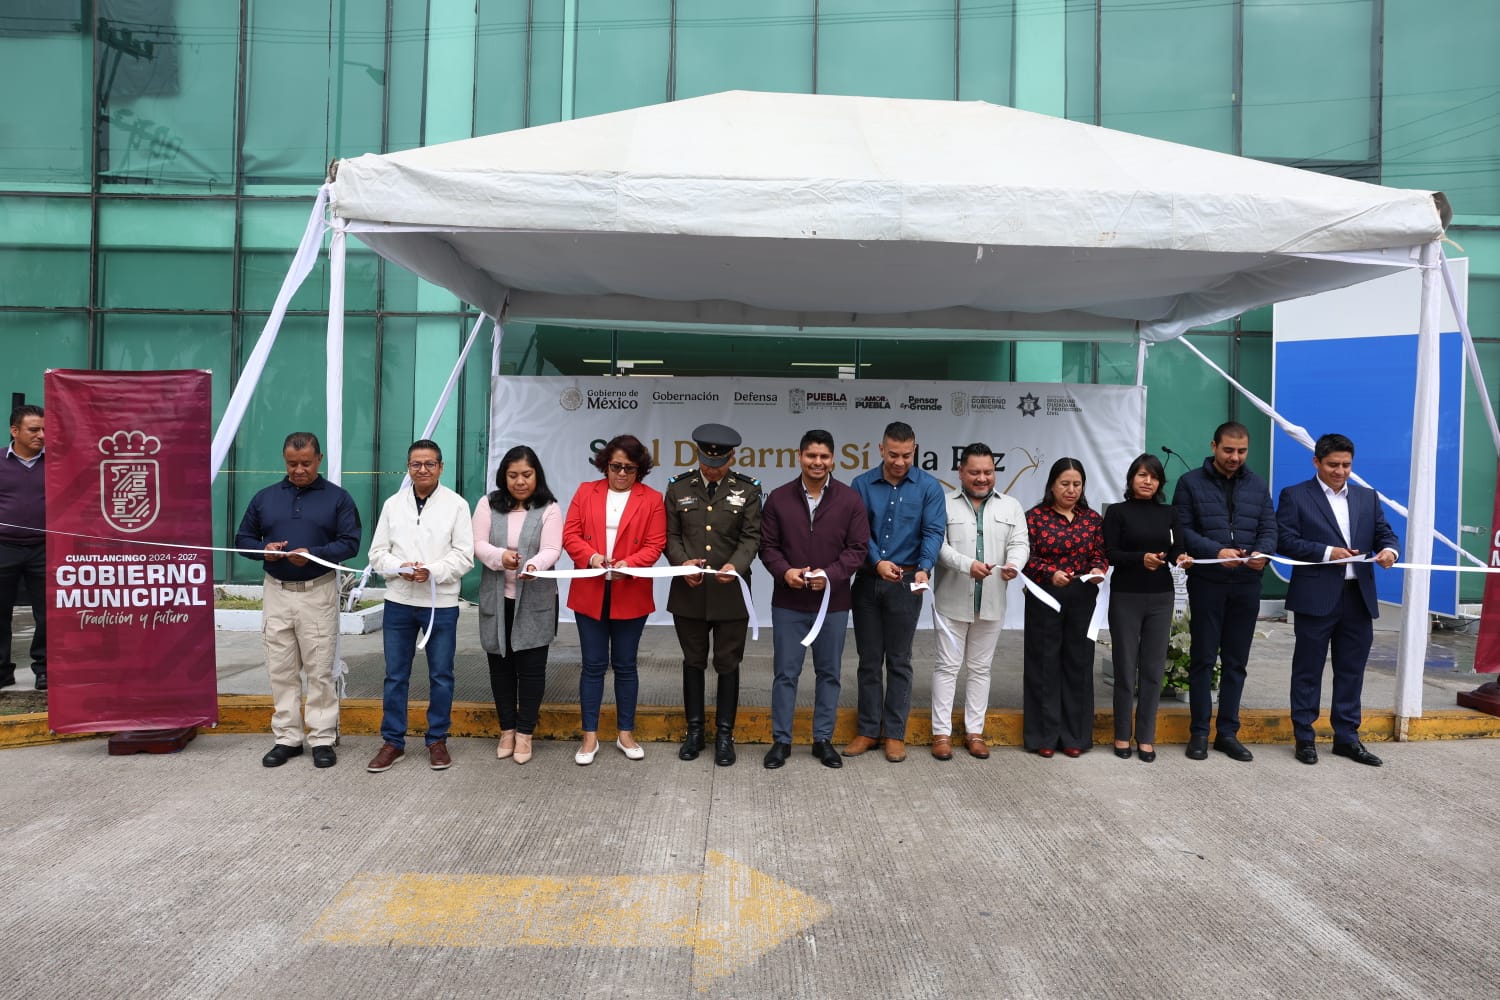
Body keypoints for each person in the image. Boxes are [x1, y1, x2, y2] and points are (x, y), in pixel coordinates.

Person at [235, 432, 362, 768]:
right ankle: (287, 738)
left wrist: (314, 554)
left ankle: (322, 738)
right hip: (276, 591)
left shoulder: (338, 498)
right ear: (284, 460)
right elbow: (243, 538)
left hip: (317, 591)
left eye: (306, 463)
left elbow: (350, 543)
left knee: (319, 669)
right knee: (281, 668)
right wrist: (264, 550)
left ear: (319, 459)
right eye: (292, 464)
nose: (299, 470)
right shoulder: (265, 498)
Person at [1277, 433, 1399, 768]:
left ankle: (1347, 738)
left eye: (1346, 465)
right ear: (1316, 462)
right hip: (1315, 596)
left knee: (1351, 671)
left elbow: (1384, 533)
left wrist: (1390, 550)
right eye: (1333, 464)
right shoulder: (1295, 495)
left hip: (1357, 597)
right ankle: (1305, 737)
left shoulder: (1366, 497)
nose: (1340, 471)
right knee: (1308, 670)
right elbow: (1283, 540)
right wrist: (1327, 552)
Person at [760, 429, 869, 770]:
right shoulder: (778, 499)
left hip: (832, 605)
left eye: (824, 456)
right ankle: (782, 740)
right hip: (788, 603)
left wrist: (831, 575)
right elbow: (767, 547)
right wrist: (785, 572)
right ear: (800, 457)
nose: (817, 462)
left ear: (833, 459)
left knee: (829, 673)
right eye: (811, 456)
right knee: (785, 673)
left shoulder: (850, 500)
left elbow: (857, 549)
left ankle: (823, 739)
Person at [365, 440, 474, 773]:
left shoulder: (456, 505)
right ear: (408, 468)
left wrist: (432, 571)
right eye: (416, 464)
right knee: (395, 675)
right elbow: (376, 554)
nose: (422, 470)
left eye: (429, 464)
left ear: (441, 467)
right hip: (399, 601)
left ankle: (437, 740)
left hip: (440, 603)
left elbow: (464, 556)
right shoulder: (393, 504)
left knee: (441, 675)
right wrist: (399, 567)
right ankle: (393, 742)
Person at [1171, 421, 1277, 762]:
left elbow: (1269, 528)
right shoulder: (1190, 483)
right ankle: (1199, 733)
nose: (1235, 457)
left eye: (1242, 451)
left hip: (1247, 584)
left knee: (1236, 663)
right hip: (1208, 583)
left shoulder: (1257, 485)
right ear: (1213, 446)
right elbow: (1182, 530)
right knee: (1203, 659)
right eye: (1228, 450)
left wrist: (1262, 553)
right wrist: (1215, 552)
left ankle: (1228, 733)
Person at [562, 434, 666, 766]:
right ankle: (589, 736)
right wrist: (592, 558)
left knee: (625, 665)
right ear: (605, 464)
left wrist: (629, 565)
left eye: (629, 468)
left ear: (640, 470)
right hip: (590, 589)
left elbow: (655, 544)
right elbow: (570, 535)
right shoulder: (585, 491)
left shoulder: (652, 499)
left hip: (630, 589)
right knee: (592, 665)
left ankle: (625, 733)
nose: (621, 473)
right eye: (616, 466)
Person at [846, 421, 946, 763]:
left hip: (907, 581)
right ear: (881, 449)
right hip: (868, 580)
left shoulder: (929, 487)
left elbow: (933, 531)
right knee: (869, 659)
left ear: (914, 450)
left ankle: (894, 734)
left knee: (900, 660)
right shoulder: (861, 485)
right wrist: (877, 563)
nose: (899, 461)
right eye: (893, 455)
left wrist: (925, 566)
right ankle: (867, 730)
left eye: (906, 455)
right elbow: (859, 534)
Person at [665, 423, 761, 767]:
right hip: (689, 592)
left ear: (731, 458)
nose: (711, 469)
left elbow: (751, 537)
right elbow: (670, 536)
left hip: (730, 592)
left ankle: (724, 735)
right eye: (706, 462)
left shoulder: (747, 490)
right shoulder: (678, 487)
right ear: (698, 455)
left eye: (718, 463)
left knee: (727, 663)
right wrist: (682, 563)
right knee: (693, 661)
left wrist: (736, 565)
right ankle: (694, 732)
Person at [930, 443, 1028, 761]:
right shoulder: (943, 504)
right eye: (974, 472)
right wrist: (966, 565)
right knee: (947, 667)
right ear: (961, 472)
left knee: (980, 669)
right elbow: (938, 546)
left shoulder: (1011, 506)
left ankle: (975, 732)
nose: (982, 478)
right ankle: (941, 734)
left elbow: (1020, 543)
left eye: (988, 472)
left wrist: (1014, 564)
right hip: (952, 600)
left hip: (992, 601)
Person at [472, 445, 561, 766]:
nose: (520, 482)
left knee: (532, 670)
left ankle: (525, 733)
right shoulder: (488, 504)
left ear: (537, 475)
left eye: (526, 475)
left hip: (535, 599)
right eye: (513, 475)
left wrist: (533, 565)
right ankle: (506, 730)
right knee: (501, 668)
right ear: (503, 477)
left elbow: (552, 548)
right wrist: (500, 556)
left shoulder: (550, 507)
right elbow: (477, 543)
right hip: (497, 600)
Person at [1103, 453, 1189, 764]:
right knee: (1125, 669)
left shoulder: (1169, 513)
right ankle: (1121, 734)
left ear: (1160, 483)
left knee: (1153, 671)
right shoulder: (1117, 512)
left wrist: (1182, 558)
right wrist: (1140, 559)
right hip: (1126, 596)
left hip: (1161, 596)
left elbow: (1177, 548)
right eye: (1142, 475)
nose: (1147, 481)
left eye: (1153, 477)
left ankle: (1146, 737)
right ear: (1131, 479)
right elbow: (1110, 553)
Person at [1022, 458, 1107, 757]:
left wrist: (1097, 568)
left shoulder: (1092, 519)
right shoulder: (1034, 518)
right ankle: (1043, 737)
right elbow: (1026, 557)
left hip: (1082, 598)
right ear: (1052, 485)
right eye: (1065, 484)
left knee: (1078, 664)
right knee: (1044, 665)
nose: (1071, 490)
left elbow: (1100, 553)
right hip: (1045, 597)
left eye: (1077, 484)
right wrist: (1050, 573)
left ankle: (1075, 737)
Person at [0, 404, 45, 692]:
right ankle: (1, 670)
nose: (41, 435)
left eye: (44, 429)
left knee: (48, 613)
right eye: (34, 430)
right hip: (3, 547)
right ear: (14, 431)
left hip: (46, 548)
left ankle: (45, 669)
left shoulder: (57, 463)